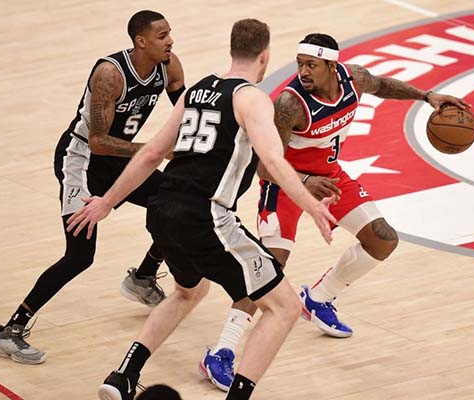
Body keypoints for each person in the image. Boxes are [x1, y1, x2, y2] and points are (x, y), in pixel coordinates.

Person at [66, 18, 336, 400]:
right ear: (264, 56)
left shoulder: (197, 91)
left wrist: (107, 202)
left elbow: (152, 153)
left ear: (232, 50)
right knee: (285, 308)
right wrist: (312, 206)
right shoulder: (251, 98)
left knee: (188, 292)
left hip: (162, 210)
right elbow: (274, 162)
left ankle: (122, 376)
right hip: (207, 217)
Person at [199, 32, 471, 391]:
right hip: (286, 184)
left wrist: (426, 96)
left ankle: (318, 297)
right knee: (269, 269)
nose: (303, 71)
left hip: (329, 177)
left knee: (383, 239)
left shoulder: (354, 78)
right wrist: (304, 181)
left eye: (311, 65)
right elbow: (265, 165)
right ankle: (221, 351)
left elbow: (383, 86)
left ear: (332, 65)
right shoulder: (290, 104)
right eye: (300, 64)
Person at [0, 10, 186, 365]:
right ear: (141, 42)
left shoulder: (169, 66)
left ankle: (143, 277)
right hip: (81, 160)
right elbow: (97, 141)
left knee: (178, 205)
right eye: (162, 36)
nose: (170, 41)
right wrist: (152, 150)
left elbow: (187, 116)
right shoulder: (111, 74)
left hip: (121, 159)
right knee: (80, 256)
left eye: (169, 33)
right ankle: (10, 330)